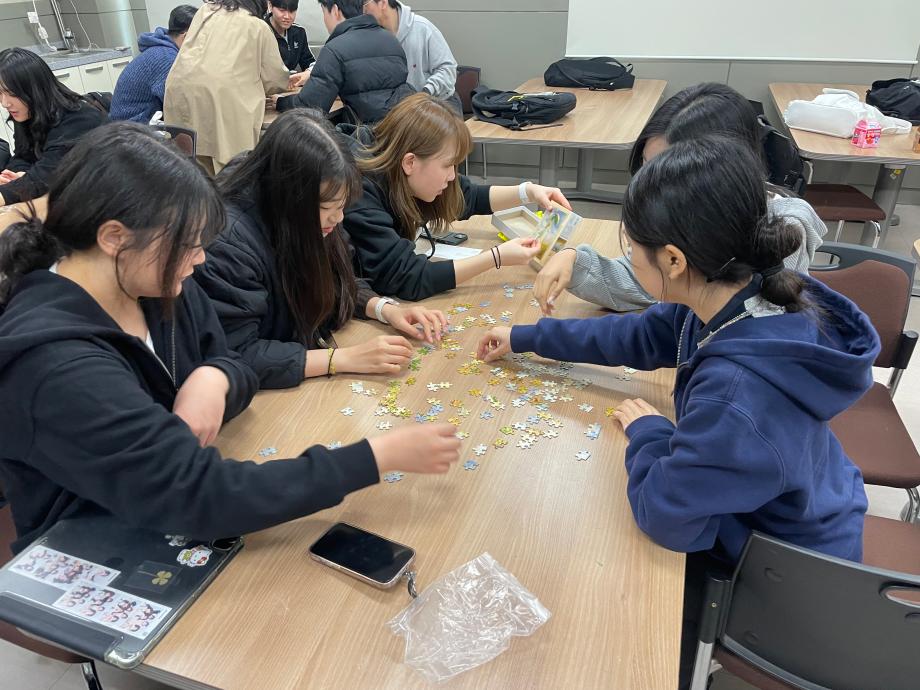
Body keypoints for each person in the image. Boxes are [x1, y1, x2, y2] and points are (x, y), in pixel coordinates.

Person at [476, 135, 877, 688]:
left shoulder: (734, 395)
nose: (628, 258)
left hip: (785, 573)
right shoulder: (734, 293)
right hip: (784, 506)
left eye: (633, 248)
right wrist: (527, 336)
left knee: (605, 617)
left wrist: (651, 433)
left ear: (673, 259)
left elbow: (667, 515)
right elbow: (641, 334)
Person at [0, 122, 461, 554]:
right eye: (186, 243)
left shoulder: (152, 286)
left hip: (169, 507)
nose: (199, 259)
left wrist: (213, 376)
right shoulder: (55, 362)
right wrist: (373, 457)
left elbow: (235, 358)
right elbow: (199, 497)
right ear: (115, 238)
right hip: (92, 548)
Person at [195, 109, 448, 390]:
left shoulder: (312, 211)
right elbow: (238, 354)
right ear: (291, 198)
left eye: (342, 207)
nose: (338, 219)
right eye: (328, 209)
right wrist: (340, 359)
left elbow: (337, 277)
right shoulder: (227, 245)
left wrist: (386, 309)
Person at [533, 82, 828, 315]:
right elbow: (645, 280)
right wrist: (576, 261)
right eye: (647, 168)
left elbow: (736, 331)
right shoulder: (690, 213)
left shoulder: (787, 225)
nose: (648, 184)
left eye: (666, 171)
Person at [343, 93, 571, 301]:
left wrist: (528, 192)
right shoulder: (358, 193)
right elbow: (407, 279)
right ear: (410, 162)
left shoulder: (402, 169)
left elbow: (467, 196)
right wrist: (495, 258)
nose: (453, 175)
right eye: (447, 165)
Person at [164, 0, 291, 175]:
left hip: (179, 95)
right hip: (224, 104)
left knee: (191, 171)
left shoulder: (205, 11)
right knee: (231, 175)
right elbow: (275, 80)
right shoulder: (257, 26)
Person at [273, 0, 415, 124]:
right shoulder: (391, 40)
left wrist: (280, 102)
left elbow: (310, 106)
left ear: (335, 10)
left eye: (324, 12)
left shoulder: (335, 49)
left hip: (365, 139)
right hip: (399, 131)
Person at [0, 48, 105, 206]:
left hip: (104, 197)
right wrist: (12, 175)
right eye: (0, 93)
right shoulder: (27, 111)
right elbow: (23, 155)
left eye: (12, 94)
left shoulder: (77, 118)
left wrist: (10, 189)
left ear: (34, 90)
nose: (5, 103)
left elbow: (49, 175)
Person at [363, 0, 461, 113]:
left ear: (383, 3)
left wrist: (425, 93)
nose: (362, 10)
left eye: (365, 4)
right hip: (403, 110)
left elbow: (448, 70)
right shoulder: (373, 37)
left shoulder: (422, 28)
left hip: (438, 105)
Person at [109, 5, 198, 124]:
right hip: (131, 129)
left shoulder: (161, 49)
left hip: (124, 123)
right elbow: (180, 108)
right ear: (186, 37)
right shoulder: (167, 59)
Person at [265, 0, 314, 85]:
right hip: (265, 91)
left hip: (290, 89)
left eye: (292, 11)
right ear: (270, 6)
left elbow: (310, 62)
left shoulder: (299, 32)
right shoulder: (260, 31)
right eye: (282, 10)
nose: (287, 16)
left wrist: (309, 71)